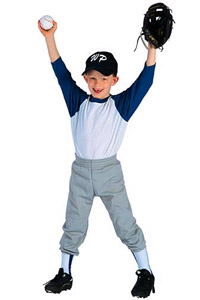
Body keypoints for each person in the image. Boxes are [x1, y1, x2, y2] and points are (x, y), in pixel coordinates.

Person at [38, 18, 156, 298]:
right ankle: (65, 273)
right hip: (80, 171)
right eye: (91, 77)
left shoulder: (122, 105)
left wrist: (152, 47)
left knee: (125, 222)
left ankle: (146, 272)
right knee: (74, 222)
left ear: (114, 80)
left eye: (103, 78)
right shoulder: (77, 101)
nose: (97, 83)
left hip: (109, 173)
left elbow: (146, 81)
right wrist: (49, 37)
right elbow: (60, 72)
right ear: (85, 79)